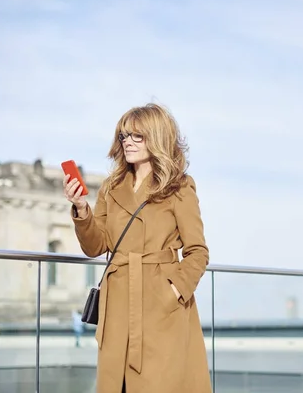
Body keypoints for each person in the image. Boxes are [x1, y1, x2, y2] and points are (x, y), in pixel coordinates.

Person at [63, 103, 211, 393]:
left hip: (161, 307)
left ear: (156, 138)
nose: (127, 142)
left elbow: (198, 252)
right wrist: (81, 208)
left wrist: (172, 292)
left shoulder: (179, 187)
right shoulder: (111, 186)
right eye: (123, 136)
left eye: (136, 136)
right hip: (117, 304)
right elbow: (96, 246)